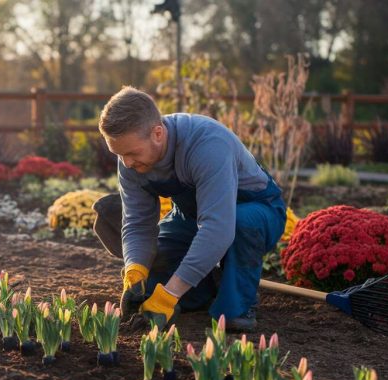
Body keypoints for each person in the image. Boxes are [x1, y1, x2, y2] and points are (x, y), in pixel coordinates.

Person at [92, 86, 286, 331]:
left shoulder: (207, 144)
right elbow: (138, 223)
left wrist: (170, 295)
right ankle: (213, 282)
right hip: (191, 215)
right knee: (152, 283)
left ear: (158, 133)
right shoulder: (129, 161)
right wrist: (135, 272)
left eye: (131, 153)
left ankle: (239, 302)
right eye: (119, 155)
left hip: (253, 210)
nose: (127, 163)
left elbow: (218, 228)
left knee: (229, 315)